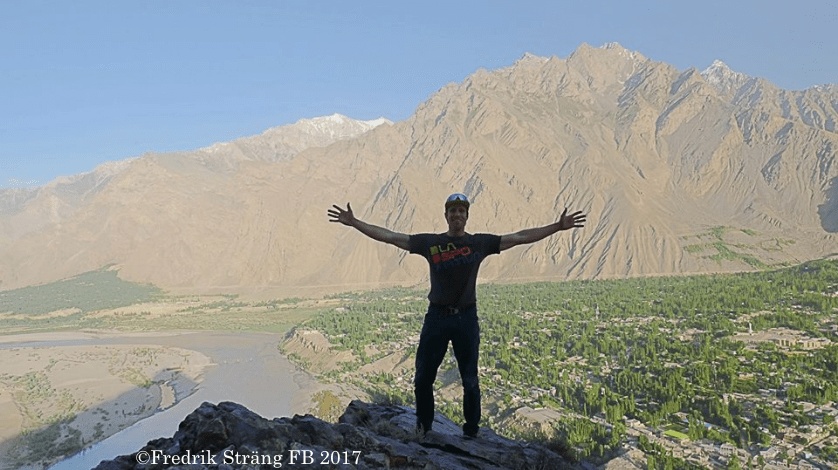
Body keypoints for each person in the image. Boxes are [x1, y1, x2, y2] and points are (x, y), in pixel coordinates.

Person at [327, 193, 586, 437]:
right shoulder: (431, 243)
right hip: (437, 317)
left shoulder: (479, 243)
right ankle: (423, 430)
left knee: (470, 379)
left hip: (466, 319)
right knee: (423, 378)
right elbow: (391, 237)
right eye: (453, 211)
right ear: (446, 216)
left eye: (461, 211)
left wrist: (557, 227)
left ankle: (471, 432)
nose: (457, 215)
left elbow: (520, 237)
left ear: (467, 216)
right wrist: (355, 222)